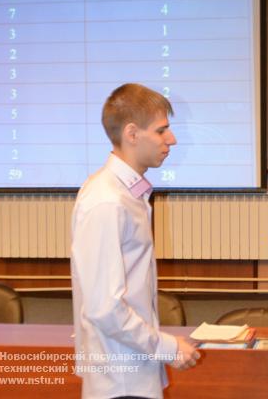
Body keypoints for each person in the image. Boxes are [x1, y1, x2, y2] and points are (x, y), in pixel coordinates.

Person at [71, 83, 200, 399]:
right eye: (161, 131)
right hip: (119, 380)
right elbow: (105, 308)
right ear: (132, 134)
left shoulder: (125, 193)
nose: (171, 139)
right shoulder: (107, 200)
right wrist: (166, 346)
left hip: (131, 369)